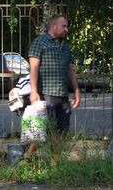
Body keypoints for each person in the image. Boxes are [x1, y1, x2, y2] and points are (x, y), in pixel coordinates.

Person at [23, 14, 81, 159]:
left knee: (63, 130)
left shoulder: (65, 46)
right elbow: (34, 68)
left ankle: (55, 163)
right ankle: (26, 159)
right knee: (41, 130)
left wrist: (76, 91)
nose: (66, 29)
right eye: (64, 26)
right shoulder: (40, 42)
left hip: (63, 95)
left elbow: (70, 70)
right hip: (46, 94)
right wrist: (34, 91)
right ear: (54, 26)